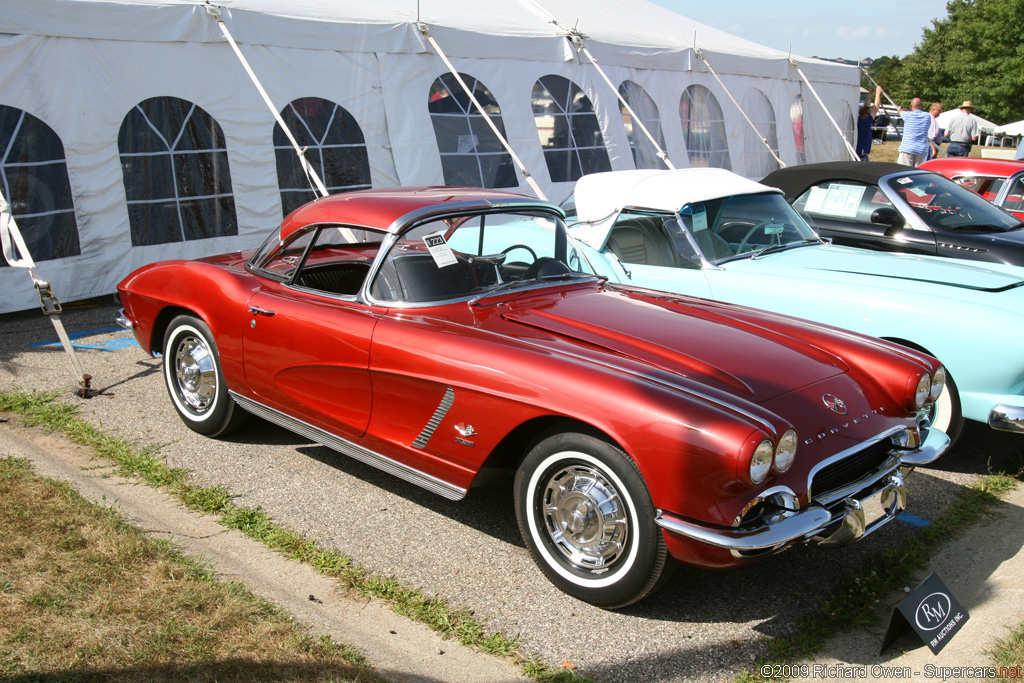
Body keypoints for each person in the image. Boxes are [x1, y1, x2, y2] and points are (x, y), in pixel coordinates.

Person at [897, 98, 932, 167]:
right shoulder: (927, 116)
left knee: (904, 172)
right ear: (921, 105)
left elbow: (900, 111)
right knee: (917, 173)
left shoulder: (907, 115)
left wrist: (903, 109)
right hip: (921, 149)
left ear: (911, 106)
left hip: (907, 148)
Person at [856, 86, 882, 161]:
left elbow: (866, 107)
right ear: (866, 115)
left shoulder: (860, 120)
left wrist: (870, 93)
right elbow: (875, 108)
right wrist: (878, 93)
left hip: (861, 155)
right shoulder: (864, 123)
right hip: (862, 157)